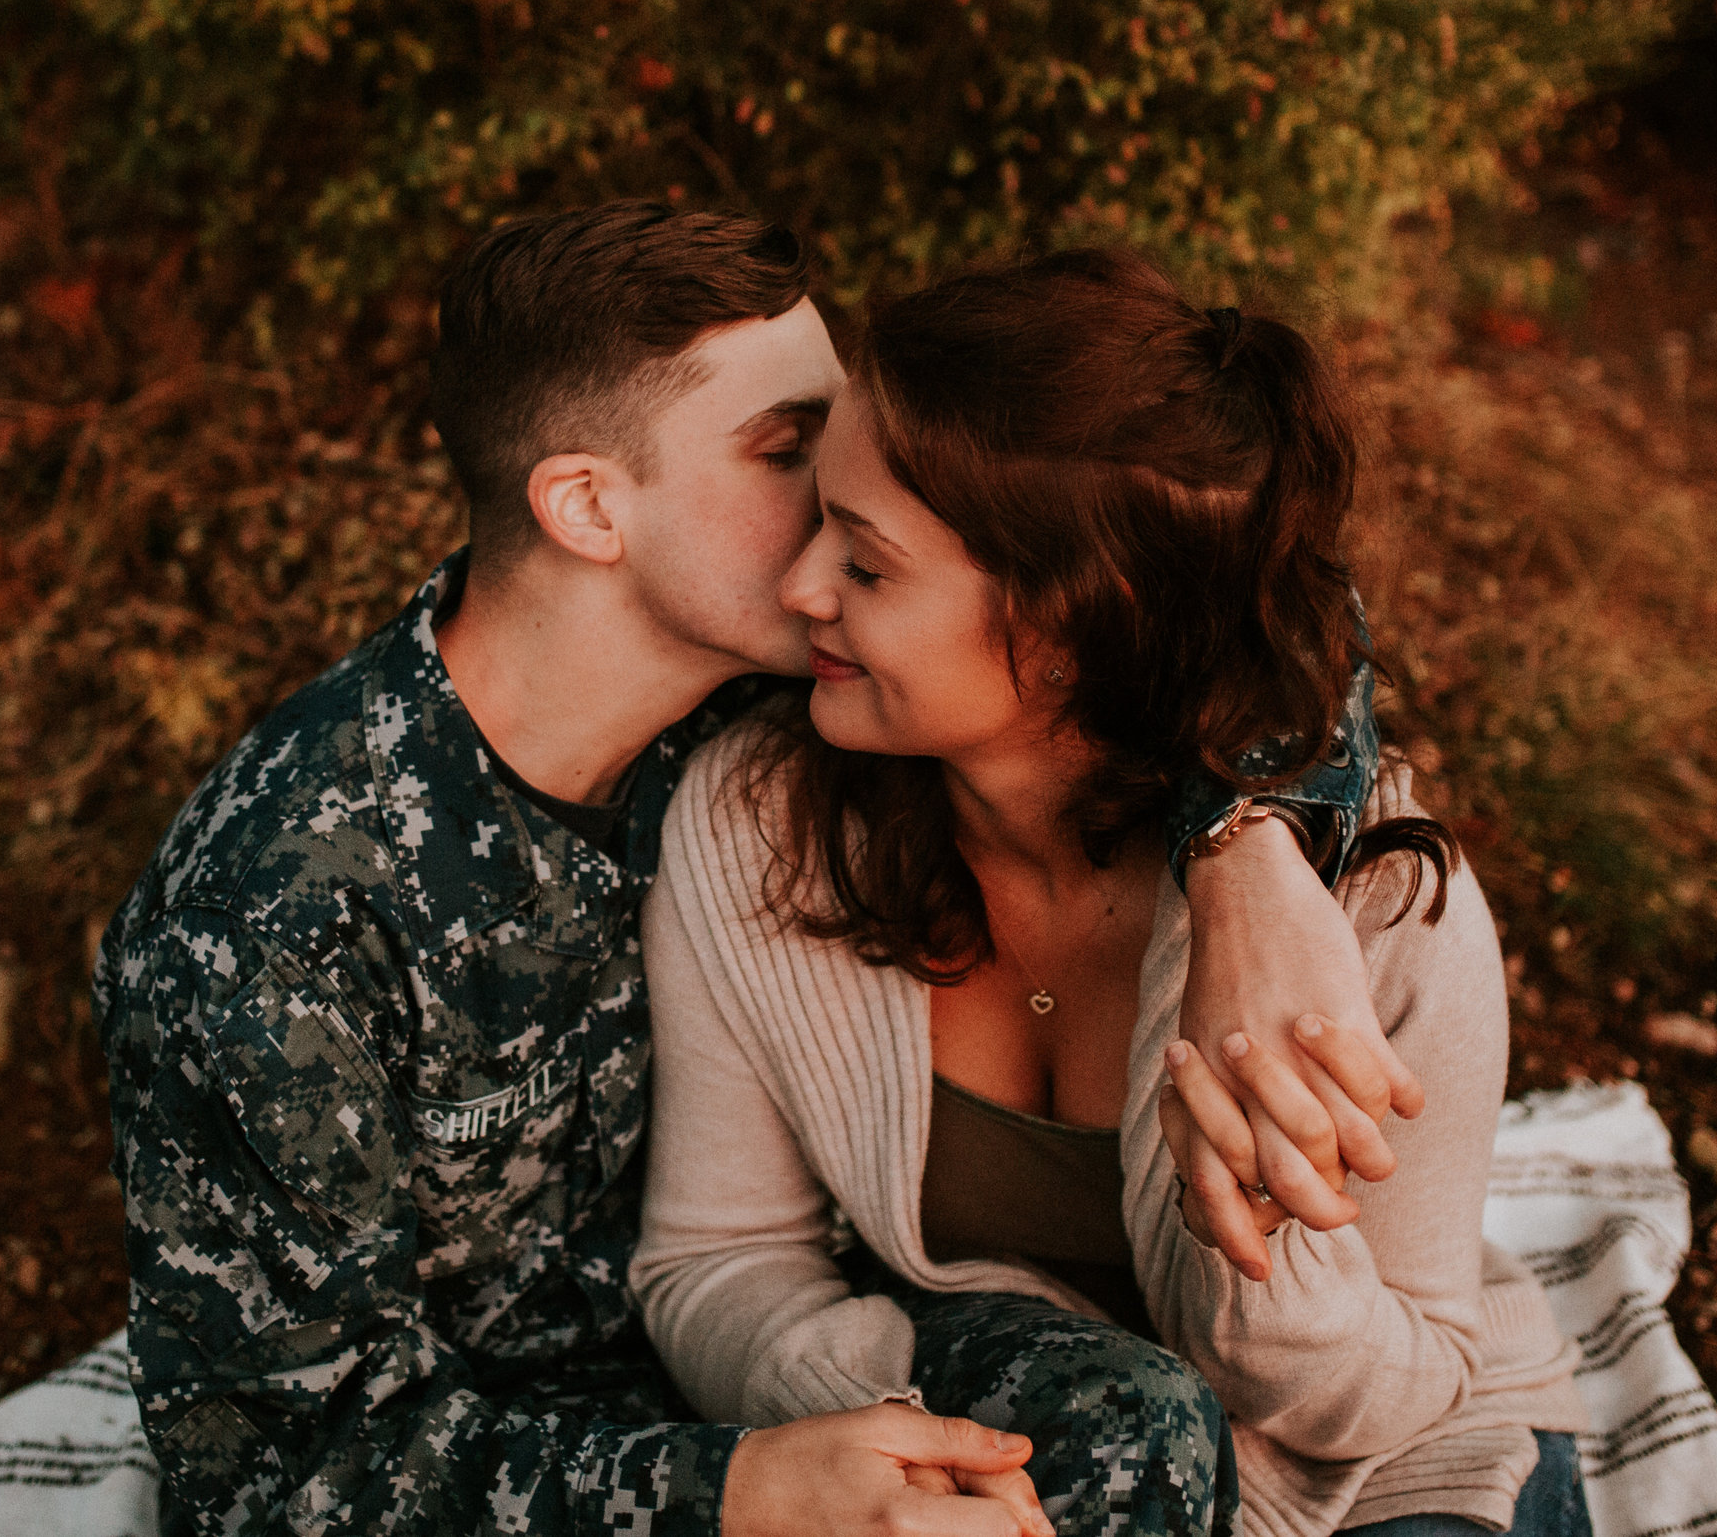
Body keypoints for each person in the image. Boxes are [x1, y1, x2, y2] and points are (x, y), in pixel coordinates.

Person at [92, 203, 1424, 1537]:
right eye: (791, 447)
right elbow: (273, 1480)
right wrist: (741, 1493)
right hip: (531, 1481)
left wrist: (1253, 858)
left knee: (1131, 1429)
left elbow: (1226, 597)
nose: (866, 481)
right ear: (587, 506)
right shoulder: (277, 910)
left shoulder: (794, 686)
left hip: (806, 1342)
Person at [631, 250, 1593, 1537]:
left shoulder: (1377, 911)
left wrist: (1264, 1248)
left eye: (865, 566)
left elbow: (1395, 1393)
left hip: (1375, 1477)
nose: (798, 587)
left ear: (1079, 619)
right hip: (997, 1467)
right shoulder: (760, 822)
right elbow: (714, 1260)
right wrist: (926, 1411)